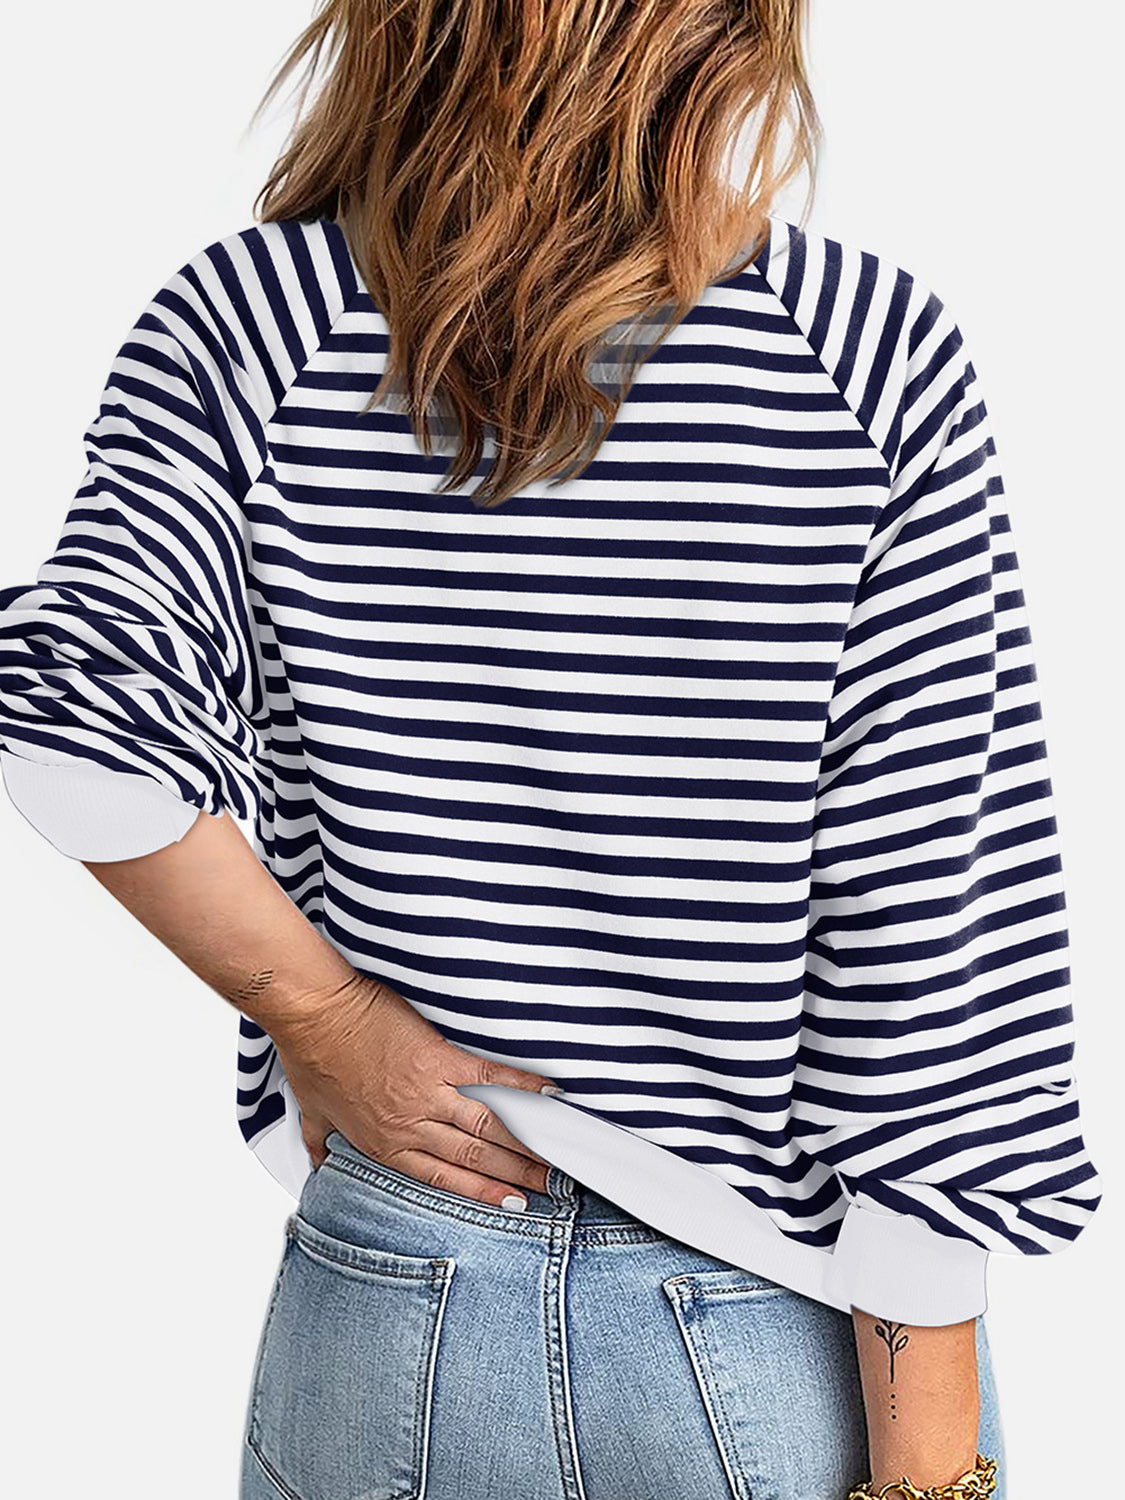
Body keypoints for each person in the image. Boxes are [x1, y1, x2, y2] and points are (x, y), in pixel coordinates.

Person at [0, 3, 1101, 1496]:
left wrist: (328, 1019)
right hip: (758, 1328)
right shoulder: (862, 353)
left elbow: (73, 725)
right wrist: (924, 1477)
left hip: (393, 1295)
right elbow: (926, 957)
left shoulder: (249, 324)